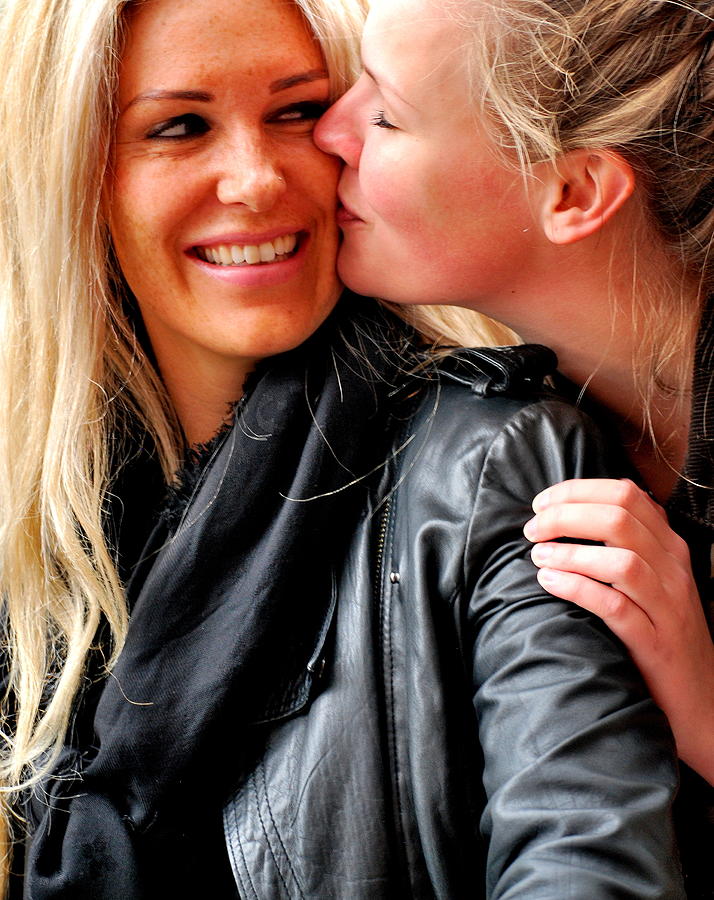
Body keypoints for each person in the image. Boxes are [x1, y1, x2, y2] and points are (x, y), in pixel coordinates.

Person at [0, 0, 687, 897]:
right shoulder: (34, 532)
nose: (255, 179)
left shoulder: (497, 464)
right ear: (70, 172)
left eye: (293, 110)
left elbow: (590, 862)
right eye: (178, 127)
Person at [314, 0, 713, 893]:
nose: (330, 130)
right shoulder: (499, 420)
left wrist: (708, 714)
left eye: (386, 114)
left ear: (573, 194)